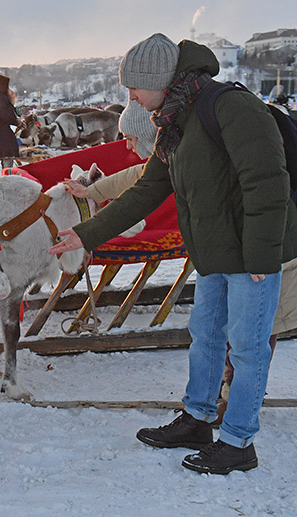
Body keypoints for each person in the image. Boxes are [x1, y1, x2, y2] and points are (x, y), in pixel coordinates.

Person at [49, 33, 297, 475]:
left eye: (134, 88)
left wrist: (262, 256)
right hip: (216, 253)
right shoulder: (173, 122)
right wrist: (86, 235)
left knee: (248, 348)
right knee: (204, 337)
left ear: (159, 79)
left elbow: (268, 181)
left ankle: (239, 442)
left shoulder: (231, 107)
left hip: (255, 254)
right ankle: (198, 419)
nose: (131, 98)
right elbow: (146, 189)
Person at [63, 100, 157, 201]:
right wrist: (90, 192)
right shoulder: (160, 163)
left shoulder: (169, 163)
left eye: (129, 139)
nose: (128, 146)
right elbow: (131, 176)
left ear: (145, 135)